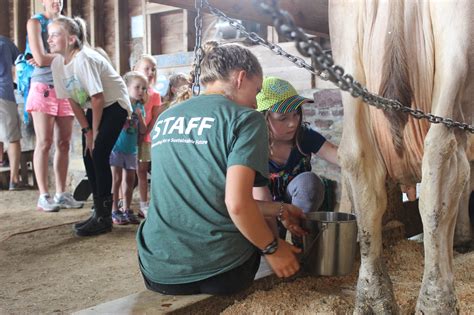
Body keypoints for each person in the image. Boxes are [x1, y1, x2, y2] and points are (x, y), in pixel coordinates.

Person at [136, 41, 306, 296]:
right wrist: (273, 248)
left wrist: (280, 209)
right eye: (257, 90)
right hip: (223, 271)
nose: (256, 102)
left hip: (158, 270)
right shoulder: (246, 119)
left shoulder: (165, 118)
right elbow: (237, 204)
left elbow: (210, 201)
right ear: (240, 78)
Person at [49, 16, 132, 236]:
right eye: (49, 34)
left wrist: (95, 134)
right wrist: (87, 131)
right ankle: (98, 211)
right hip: (94, 106)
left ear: (72, 39)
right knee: (88, 154)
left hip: (114, 104)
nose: (49, 39)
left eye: (55, 34)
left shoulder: (84, 58)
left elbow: (97, 97)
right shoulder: (58, 64)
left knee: (99, 152)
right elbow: (72, 100)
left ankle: (104, 218)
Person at [254, 76, 339, 241]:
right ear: (264, 118)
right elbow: (256, 196)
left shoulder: (304, 137)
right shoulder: (254, 146)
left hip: (298, 207)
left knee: (309, 183)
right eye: (283, 118)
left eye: (296, 114)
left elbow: (339, 156)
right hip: (266, 207)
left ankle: (302, 240)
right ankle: (274, 244)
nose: (293, 123)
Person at [25, 0, 83, 211]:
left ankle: (61, 194)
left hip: (64, 85)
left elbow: (78, 53)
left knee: (64, 143)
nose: (57, 2)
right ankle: (43, 196)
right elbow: (40, 59)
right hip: (43, 86)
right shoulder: (35, 23)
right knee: (44, 142)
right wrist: (65, 55)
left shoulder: (66, 24)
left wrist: (55, 58)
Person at [110, 71, 147, 225]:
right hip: (117, 148)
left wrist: (139, 116)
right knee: (116, 179)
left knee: (130, 180)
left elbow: (143, 130)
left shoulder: (139, 107)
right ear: (126, 87)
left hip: (131, 150)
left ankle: (126, 209)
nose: (141, 91)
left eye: (143, 88)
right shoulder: (121, 104)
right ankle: (114, 210)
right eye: (137, 87)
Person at [132, 54, 165, 217]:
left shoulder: (155, 95)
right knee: (124, 174)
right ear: (135, 70)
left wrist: (145, 133)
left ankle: (144, 204)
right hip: (129, 139)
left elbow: (155, 117)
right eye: (147, 68)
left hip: (146, 139)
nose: (151, 72)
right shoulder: (129, 94)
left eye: (153, 69)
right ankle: (119, 205)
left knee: (142, 171)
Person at [0, 35, 26, 190]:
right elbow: (19, 62)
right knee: (13, 138)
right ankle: (14, 180)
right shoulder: (4, 42)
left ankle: (2, 161)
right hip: (4, 93)